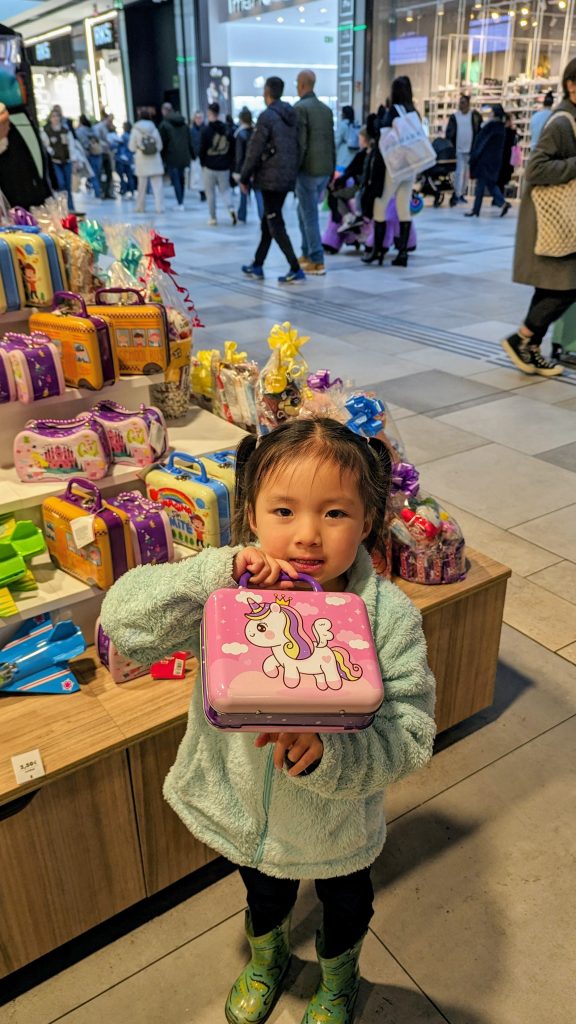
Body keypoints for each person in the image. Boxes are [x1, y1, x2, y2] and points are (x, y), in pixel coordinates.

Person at [100, 416, 436, 1024]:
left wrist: (333, 754)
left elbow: (411, 733)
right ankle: (267, 958)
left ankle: (338, 978)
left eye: (334, 513)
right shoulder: (223, 588)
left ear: (367, 520)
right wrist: (215, 574)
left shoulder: (386, 615)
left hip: (337, 824)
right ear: (250, 512)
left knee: (347, 903)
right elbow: (125, 621)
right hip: (245, 807)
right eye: (284, 511)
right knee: (262, 891)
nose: (307, 537)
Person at [501, 61, 576, 378]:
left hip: (562, 223)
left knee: (551, 287)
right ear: (572, 85)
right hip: (553, 221)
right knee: (566, 287)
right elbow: (536, 170)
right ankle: (521, 338)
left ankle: (530, 350)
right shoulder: (562, 122)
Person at [240, 76, 304, 285]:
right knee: (268, 220)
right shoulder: (291, 116)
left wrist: (244, 175)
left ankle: (295, 267)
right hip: (286, 178)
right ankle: (258, 263)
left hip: (269, 179)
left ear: (267, 91)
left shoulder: (267, 117)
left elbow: (255, 149)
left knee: (274, 222)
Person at [371, 75, 418, 267]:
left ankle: (378, 250)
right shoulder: (413, 111)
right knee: (403, 207)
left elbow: (381, 133)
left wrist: (380, 116)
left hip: (394, 166)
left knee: (380, 204)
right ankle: (403, 253)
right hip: (411, 166)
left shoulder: (393, 111)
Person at [294, 69, 335, 276]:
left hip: (307, 170)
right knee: (303, 212)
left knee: (309, 215)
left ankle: (317, 260)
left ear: (302, 85)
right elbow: (332, 143)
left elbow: (300, 143)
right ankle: (307, 253)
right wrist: (332, 169)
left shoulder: (300, 108)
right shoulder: (326, 110)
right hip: (324, 171)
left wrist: (294, 168)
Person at [465, 104, 511, 218]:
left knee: (480, 185)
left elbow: (481, 143)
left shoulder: (490, 127)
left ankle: (476, 210)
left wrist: (474, 157)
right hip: (495, 160)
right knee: (490, 184)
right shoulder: (501, 128)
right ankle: (502, 203)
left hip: (484, 160)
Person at [200, 101, 237, 226]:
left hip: (209, 166)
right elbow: (232, 148)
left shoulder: (206, 130)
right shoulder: (226, 129)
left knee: (210, 194)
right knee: (225, 190)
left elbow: (202, 149)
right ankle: (231, 208)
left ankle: (213, 217)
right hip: (224, 166)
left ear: (210, 113)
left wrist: (202, 163)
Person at [446, 94, 482, 205]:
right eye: (460, 102)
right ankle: (457, 194)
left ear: (468, 103)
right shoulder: (455, 117)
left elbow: (479, 130)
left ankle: (461, 194)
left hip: (470, 150)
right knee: (459, 172)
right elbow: (449, 133)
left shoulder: (474, 116)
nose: (460, 105)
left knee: (466, 173)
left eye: (463, 102)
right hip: (458, 150)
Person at [128, 107, 164, 214]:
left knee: (141, 187)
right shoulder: (154, 129)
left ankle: (140, 207)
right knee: (158, 187)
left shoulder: (135, 130)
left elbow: (131, 147)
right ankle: (159, 208)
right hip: (155, 160)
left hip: (141, 160)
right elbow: (160, 146)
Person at [159, 101, 192, 211]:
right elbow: (189, 139)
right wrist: (192, 154)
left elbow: (162, 143)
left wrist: (162, 157)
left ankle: (180, 202)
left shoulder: (164, 124)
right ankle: (181, 200)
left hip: (171, 156)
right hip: (183, 155)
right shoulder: (183, 122)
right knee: (181, 178)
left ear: (164, 111)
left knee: (176, 179)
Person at [41, 107, 75, 210]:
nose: (55, 118)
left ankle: (71, 208)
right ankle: (63, 208)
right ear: (50, 118)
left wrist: (73, 158)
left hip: (67, 160)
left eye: (57, 116)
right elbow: (45, 145)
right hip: (55, 161)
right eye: (53, 116)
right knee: (61, 184)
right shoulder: (46, 131)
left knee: (68, 186)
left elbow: (71, 145)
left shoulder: (65, 130)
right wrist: (52, 152)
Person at [233, 107, 263, 223]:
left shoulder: (240, 134)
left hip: (245, 169)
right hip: (257, 169)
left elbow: (239, 156)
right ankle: (262, 216)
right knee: (258, 194)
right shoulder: (256, 132)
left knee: (244, 193)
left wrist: (237, 171)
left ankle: (242, 215)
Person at [76, 113, 102, 198]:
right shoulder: (93, 129)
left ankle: (97, 191)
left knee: (91, 173)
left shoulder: (80, 131)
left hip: (87, 154)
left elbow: (82, 142)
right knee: (97, 173)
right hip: (97, 152)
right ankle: (98, 190)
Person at [497, 112, 519, 196]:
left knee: (500, 179)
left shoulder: (501, 131)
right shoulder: (511, 132)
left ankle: (498, 197)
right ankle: (499, 197)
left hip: (501, 158)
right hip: (507, 158)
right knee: (503, 178)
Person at [95, 111, 115, 198]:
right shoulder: (99, 127)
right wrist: (106, 143)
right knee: (102, 173)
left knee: (108, 173)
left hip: (106, 153)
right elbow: (97, 139)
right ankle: (103, 192)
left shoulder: (107, 128)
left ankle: (108, 192)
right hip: (101, 153)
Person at [335, 104, 359, 171]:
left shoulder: (342, 125)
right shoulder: (357, 124)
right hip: (354, 159)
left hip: (343, 160)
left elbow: (336, 142)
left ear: (344, 114)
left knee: (341, 179)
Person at [115, 121, 135, 197]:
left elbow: (119, 146)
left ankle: (124, 189)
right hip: (129, 158)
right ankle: (131, 190)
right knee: (129, 176)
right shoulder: (131, 136)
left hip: (122, 158)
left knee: (121, 175)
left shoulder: (124, 136)